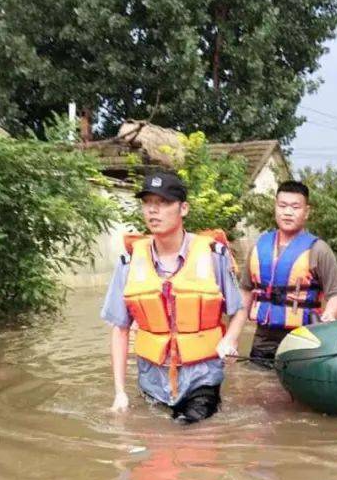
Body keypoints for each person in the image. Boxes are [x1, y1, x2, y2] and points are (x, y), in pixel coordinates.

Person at [101, 171, 246, 423]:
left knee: (191, 435)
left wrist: (230, 340)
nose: (153, 211)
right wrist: (119, 393)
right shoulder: (128, 261)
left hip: (202, 379)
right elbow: (120, 329)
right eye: (147, 203)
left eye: (164, 203)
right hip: (152, 381)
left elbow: (240, 309)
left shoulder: (214, 255)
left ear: (184, 208)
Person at [241, 181, 337, 365]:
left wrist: (329, 316)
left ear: (306, 211)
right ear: (275, 208)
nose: (287, 212)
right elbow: (246, 289)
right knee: (259, 382)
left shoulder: (319, 249)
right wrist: (234, 333)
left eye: (295, 207)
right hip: (263, 337)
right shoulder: (259, 246)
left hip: (302, 335)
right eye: (282, 206)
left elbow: (336, 292)